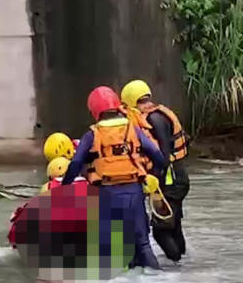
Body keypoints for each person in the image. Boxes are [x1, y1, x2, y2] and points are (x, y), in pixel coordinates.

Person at [62, 86, 167, 272]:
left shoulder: (92, 135)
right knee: (142, 244)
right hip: (134, 192)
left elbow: (77, 161)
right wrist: (154, 175)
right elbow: (157, 155)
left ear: (94, 111)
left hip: (108, 194)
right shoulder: (133, 129)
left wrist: (65, 186)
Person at [120, 79, 190, 262]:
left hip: (170, 181)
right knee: (173, 226)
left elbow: (163, 156)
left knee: (161, 231)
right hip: (178, 177)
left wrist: (150, 179)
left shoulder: (154, 119)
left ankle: (176, 271)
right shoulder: (159, 113)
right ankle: (181, 263)